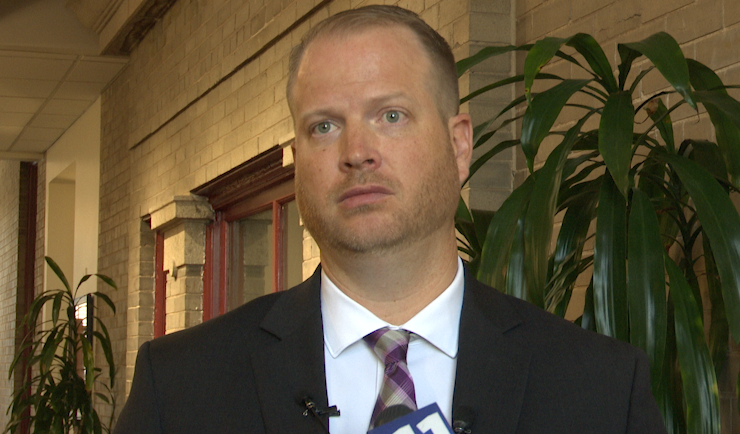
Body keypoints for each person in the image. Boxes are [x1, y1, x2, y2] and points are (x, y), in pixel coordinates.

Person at [114, 5, 667, 433]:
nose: (357, 152)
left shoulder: (601, 389)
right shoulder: (181, 385)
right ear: (298, 160)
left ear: (459, 146)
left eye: (391, 115)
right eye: (325, 126)